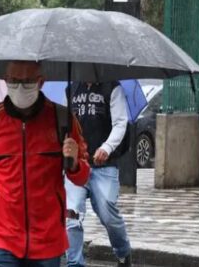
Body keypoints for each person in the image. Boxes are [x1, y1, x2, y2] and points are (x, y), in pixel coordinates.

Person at [0, 61, 91, 267]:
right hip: (1, 238)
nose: (19, 87)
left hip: (47, 240)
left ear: (41, 82)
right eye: (14, 81)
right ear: (5, 81)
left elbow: (82, 177)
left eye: (27, 81)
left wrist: (73, 162)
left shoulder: (62, 119)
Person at [65, 82, 133, 267]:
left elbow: (120, 123)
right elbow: (65, 125)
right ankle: (75, 263)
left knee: (107, 214)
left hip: (104, 166)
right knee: (72, 217)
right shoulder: (71, 89)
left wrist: (107, 148)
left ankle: (123, 252)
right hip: (77, 166)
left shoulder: (112, 88)